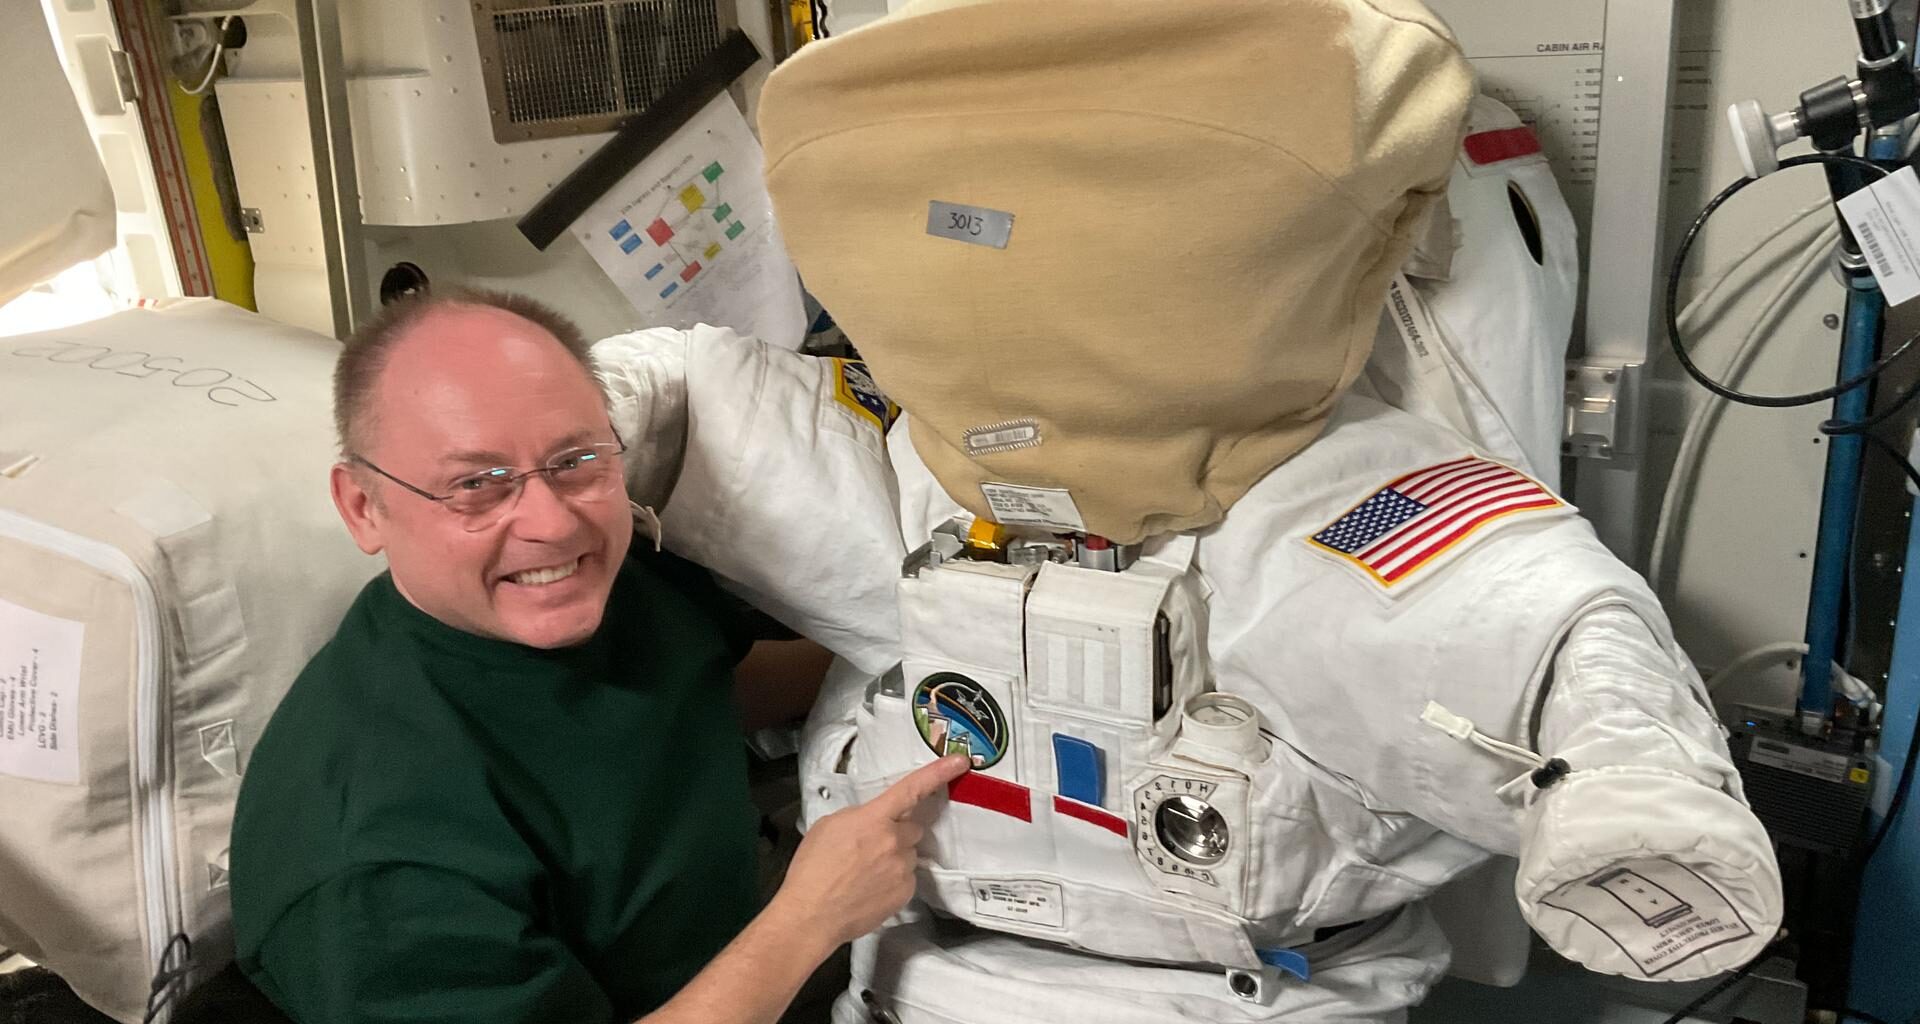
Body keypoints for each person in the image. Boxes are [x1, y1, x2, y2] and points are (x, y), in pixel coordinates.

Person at [229, 286, 970, 1024]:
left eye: (576, 460)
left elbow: (698, 688)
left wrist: (931, 664)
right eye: (476, 486)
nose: (552, 523)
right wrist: (810, 918)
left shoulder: (600, 590)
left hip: (759, 904)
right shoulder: (376, 875)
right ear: (364, 507)